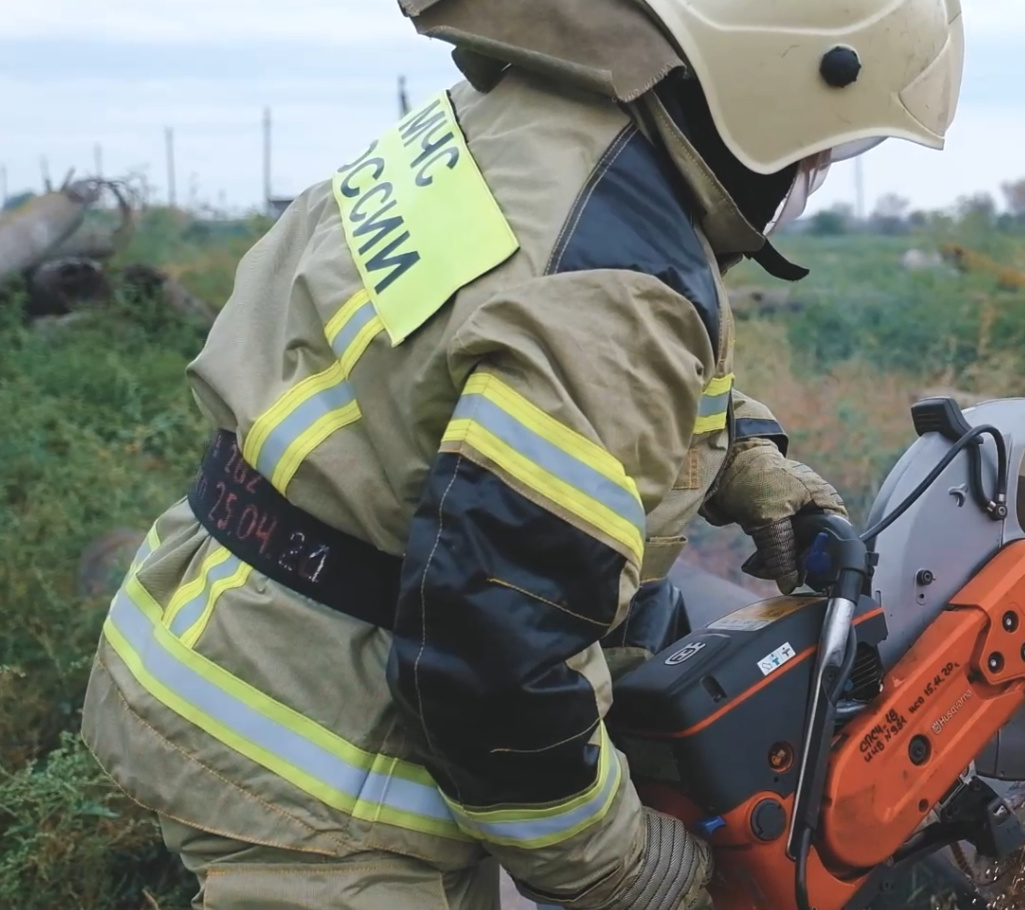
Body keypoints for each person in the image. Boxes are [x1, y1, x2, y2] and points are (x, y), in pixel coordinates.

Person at [77, 0, 965, 907]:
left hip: (219, 636)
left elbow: (466, 351)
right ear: (782, 85)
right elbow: (500, 658)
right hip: (325, 771)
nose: (816, 168)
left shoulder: (513, 132)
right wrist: (618, 865)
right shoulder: (613, 281)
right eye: (834, 142)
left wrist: (741, 456)